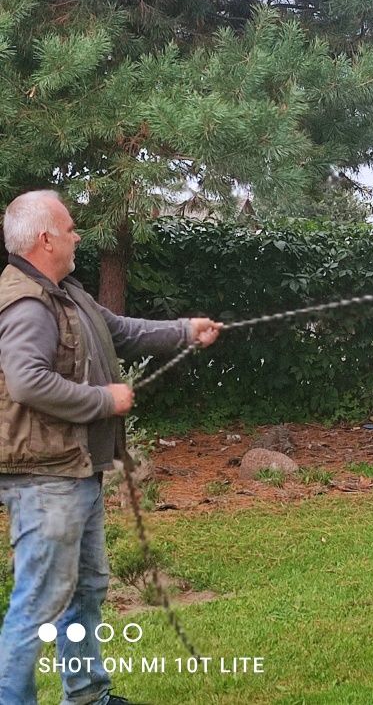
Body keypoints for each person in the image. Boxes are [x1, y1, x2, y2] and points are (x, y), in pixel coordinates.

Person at [0, 190, 223, 705]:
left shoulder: (67, 293)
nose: (78, 236)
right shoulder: (28, 304)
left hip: (78, 471)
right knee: (38, 603)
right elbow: (28, 382)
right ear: (45, 237)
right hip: (45, 479)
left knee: (84, 590)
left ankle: (86, 695)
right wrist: (103, 399)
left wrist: (185, 330)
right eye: (71, 228)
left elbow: (120, 331)